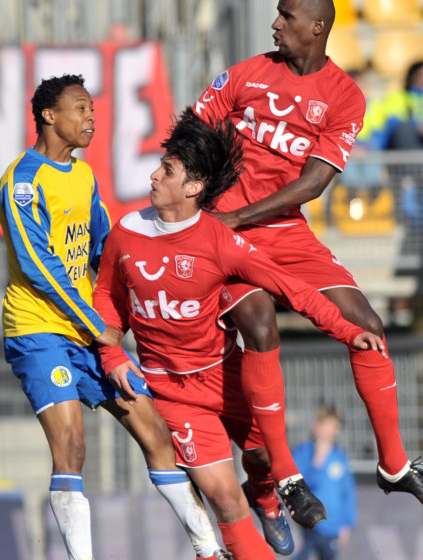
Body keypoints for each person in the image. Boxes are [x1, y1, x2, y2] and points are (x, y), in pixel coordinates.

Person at [93, 108, 384, 560]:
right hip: (172, 392)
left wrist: (348, 331)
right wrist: (111, 354)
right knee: (226, 501)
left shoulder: (219, 240)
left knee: (264, 460)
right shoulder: (125, 234)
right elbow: (107, 298)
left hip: (227, 378)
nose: (154, 175)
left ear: (193, 187)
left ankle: (267, 499)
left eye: (166, 169)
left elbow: (294, 288)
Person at [193, 0, 423, 527]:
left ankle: (392, 464)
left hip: (284, 230)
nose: (275, 23)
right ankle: (288, 477)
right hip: (225, 235)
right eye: (275, 13)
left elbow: (314, 183)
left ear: (317, 26)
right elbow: (190, 137)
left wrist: (242, 215)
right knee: (259, 323)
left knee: (367, 324)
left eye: (286, 15)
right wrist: (208, 213)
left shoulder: (345, 96)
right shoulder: (244, 75)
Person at [0, 74, 224, 560]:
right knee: (73, 445)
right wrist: (97, 323)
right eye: (80, 109)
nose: (91, 119)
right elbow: (39, 266)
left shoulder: (82, 175)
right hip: (39, 332)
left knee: (155, 431)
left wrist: (134, 300)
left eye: (93, 110)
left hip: (89, 334)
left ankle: (208, 549)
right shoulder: (21, 182)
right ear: (49, 115)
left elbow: (105, 245)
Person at [292, 407, 357, 560]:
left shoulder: (339, 457)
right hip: (310, 521)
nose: (331, 431)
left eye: (335, 427)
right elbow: (298, 486)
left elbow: (347, 493)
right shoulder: (303, 453)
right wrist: (317, 462)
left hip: (333, 525)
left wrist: (347, 523)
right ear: (316, 426)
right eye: (328, 426)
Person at [360, 61, 423, 152]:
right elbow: (391, 122)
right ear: (412, 77)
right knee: (405, 130)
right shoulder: (398, 96)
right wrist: (416, 125)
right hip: (409, 144)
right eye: (420, 75)